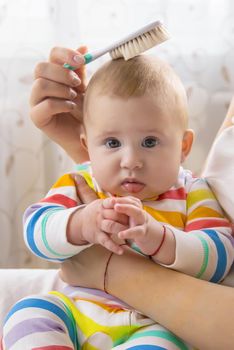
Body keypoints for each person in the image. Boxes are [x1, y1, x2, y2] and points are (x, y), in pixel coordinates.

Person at [2, 53, 234, 350]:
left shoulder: (193, 192)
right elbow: (36, 229)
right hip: (77, 310)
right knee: (28, 314)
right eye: (112, 143)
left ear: (183, 146)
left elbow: (219, 255)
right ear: (87, 145)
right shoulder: (84, 181)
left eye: (149, 142)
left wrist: (159, 238)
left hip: (153, 323)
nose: (131, 161)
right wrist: (81, 223)